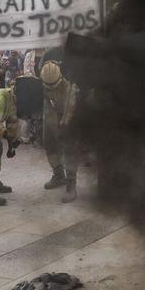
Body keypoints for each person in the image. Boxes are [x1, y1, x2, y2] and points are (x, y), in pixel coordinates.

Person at [39, 61, 81, 202]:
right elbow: (47, 110)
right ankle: (58, 175)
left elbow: (70, 108)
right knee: (48, 142)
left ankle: (71, 185)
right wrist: (56, 131)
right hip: (52, 113)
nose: (50, 89)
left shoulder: (69, 85)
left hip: (70, 114)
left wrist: (64, 126)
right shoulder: (44, 80)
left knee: (69, 148)